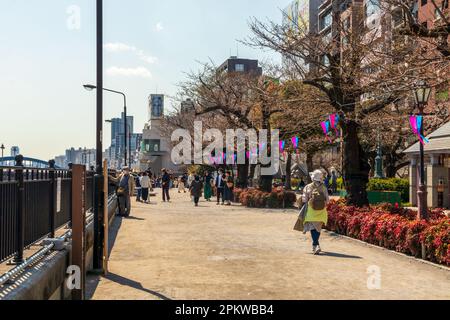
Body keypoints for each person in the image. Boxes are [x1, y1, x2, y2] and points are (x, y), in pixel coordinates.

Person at [301, 170, 330, 255]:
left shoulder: (308, 187)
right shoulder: (324, 188)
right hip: (321, 211)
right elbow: (327, 200)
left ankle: (315, 245)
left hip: (311, 211)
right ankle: (316, 245)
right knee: (318, 228)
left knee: (313, 228)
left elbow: (304, 199)